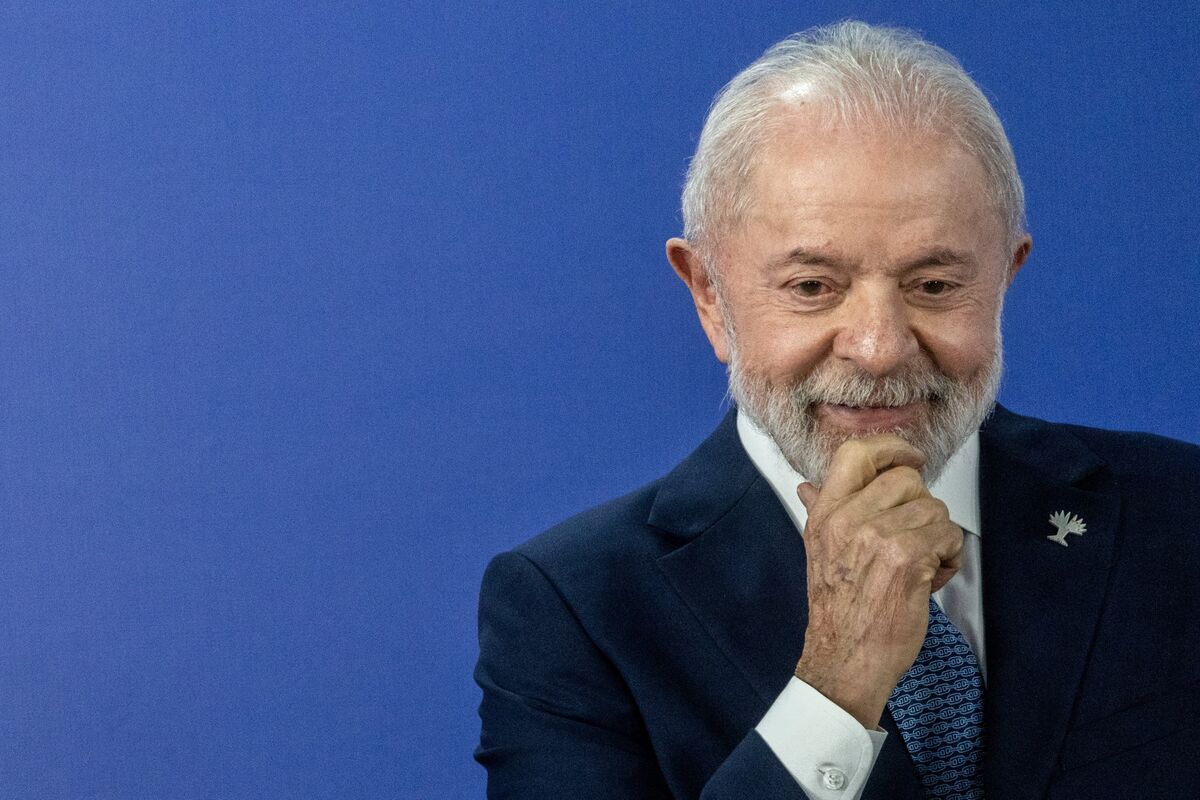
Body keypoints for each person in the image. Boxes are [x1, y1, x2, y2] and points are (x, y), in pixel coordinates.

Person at [474, 20, 1200, 800]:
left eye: (934, 285)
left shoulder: (1178, 513)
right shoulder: (573, 608)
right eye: (813, 287)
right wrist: (838, 683)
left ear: (1005, 278)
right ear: (709, 295)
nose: (879, 348)